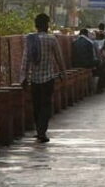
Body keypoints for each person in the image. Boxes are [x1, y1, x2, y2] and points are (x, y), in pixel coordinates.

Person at [20, 13, 66, 143]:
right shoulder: (52, 39)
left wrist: (23, 77)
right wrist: (63, 73)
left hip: (34, 79)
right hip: (48, 79)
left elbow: (25, 60)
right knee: (46, 105)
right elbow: (59, 58)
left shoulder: (30, 39)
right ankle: (42, 131)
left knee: (36, 105)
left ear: (36, 25)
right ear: (47, 25)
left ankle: (39, 130)